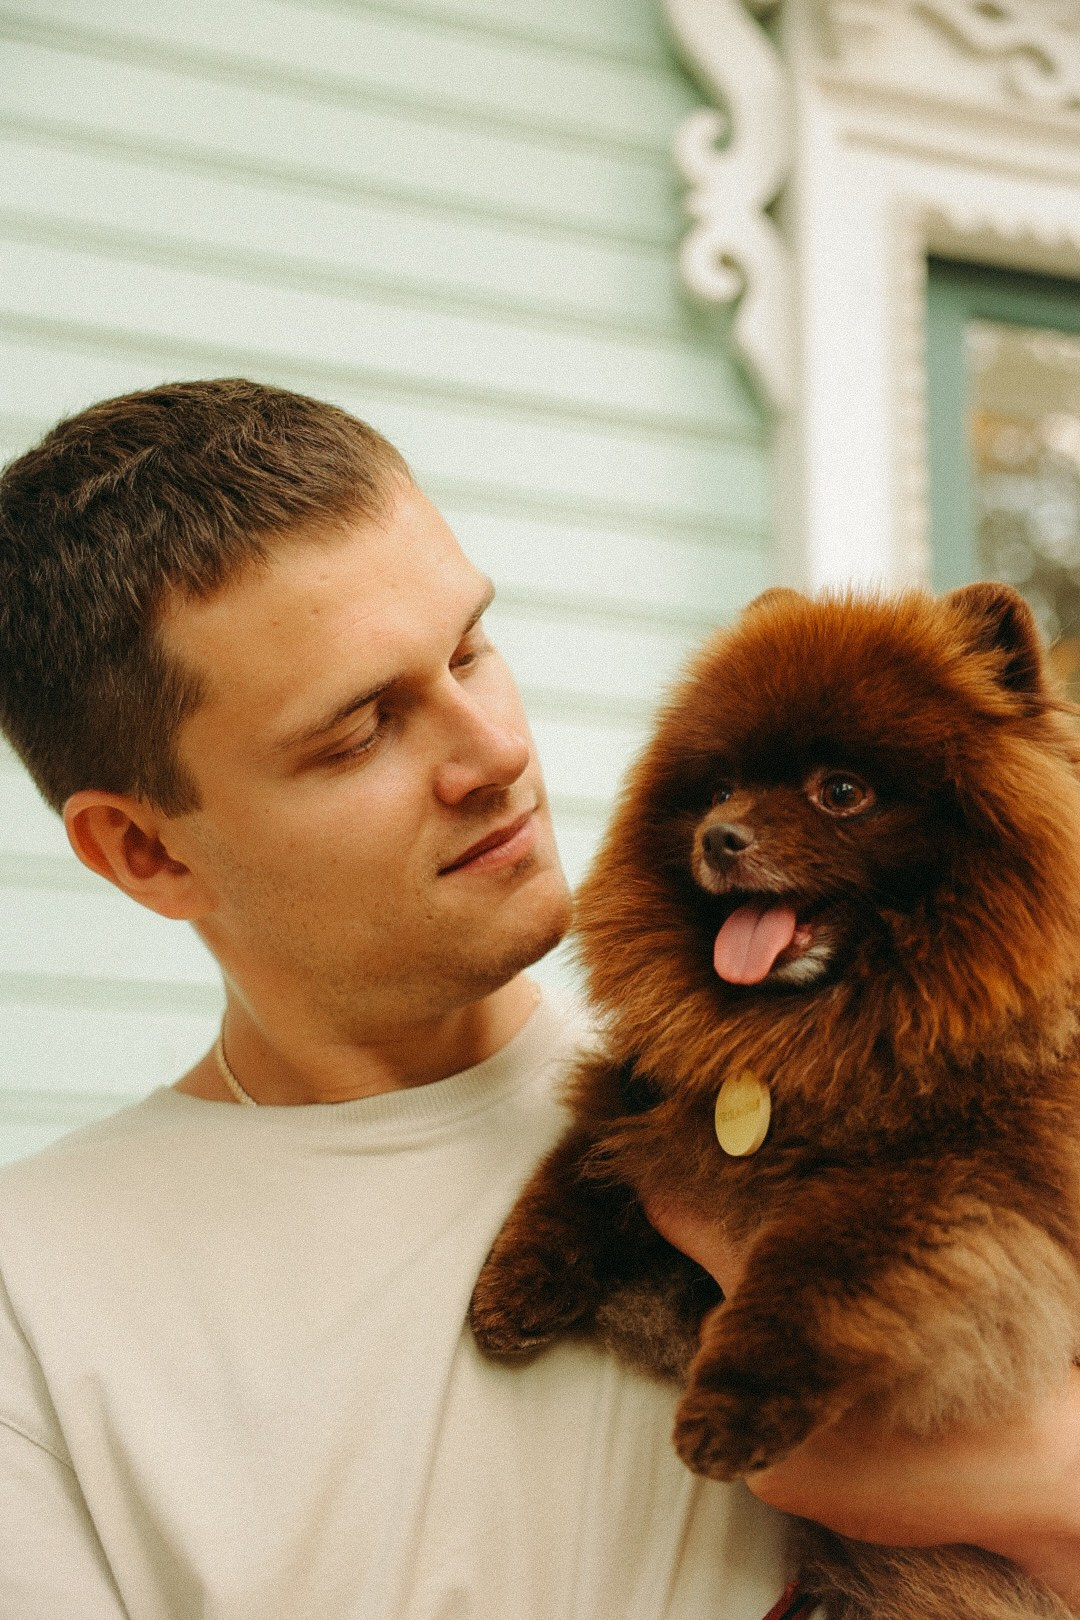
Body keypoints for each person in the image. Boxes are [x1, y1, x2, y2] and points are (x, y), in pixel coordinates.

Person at [0, 380, 1076, 1620]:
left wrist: (1050, 1485)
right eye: (361, 731)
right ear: (147, 850)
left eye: (470, 650)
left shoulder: (932, 1091)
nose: (497, 752)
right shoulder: (41, 1303)